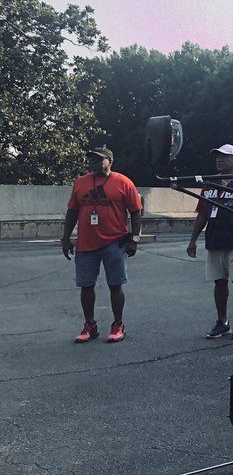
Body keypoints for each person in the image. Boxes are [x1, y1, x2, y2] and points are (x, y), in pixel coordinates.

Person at [61, 146, 144, 343]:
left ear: (110, 161)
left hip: (114, 242)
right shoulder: (81, 183)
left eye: (99, 159)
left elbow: (136, 211)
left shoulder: (123, 182)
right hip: (86, 243)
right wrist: (65, 238)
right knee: (86, 285)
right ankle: (90, 325)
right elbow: (72, 212)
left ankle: (118, 324)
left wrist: (135, 238)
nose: (93, 163)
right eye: (91, 159)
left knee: (115, 284)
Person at [187, 144, 233, 340]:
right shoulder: (210, 184)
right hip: (215, 240)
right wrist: (193, 240)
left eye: (224, 156)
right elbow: (202, 213)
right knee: (219, 283)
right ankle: (222, 322)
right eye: (217, 156)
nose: (219, 159)